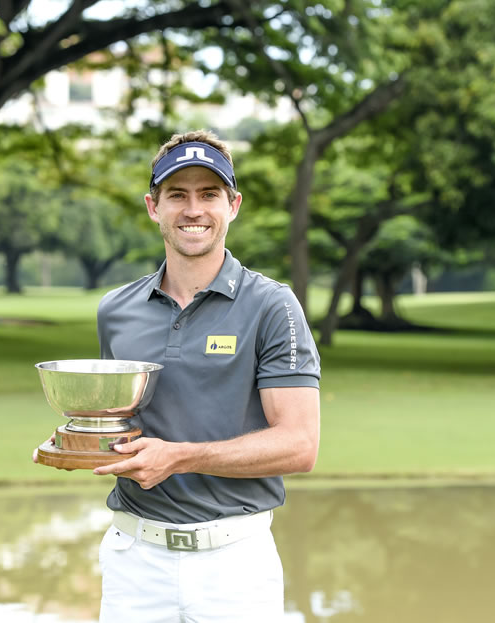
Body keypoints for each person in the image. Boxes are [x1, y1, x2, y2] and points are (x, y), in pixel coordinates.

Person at [91, 129, 321, 622]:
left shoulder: (272, 306)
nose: (193, 209)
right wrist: (80, 441)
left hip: (234, 564)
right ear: (153, 207)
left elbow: (300, 445)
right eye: (177, 194)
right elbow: (122, 424)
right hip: (134, 558)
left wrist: (180, 459)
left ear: (233, 205)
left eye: (208, 194)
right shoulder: (116, 310)